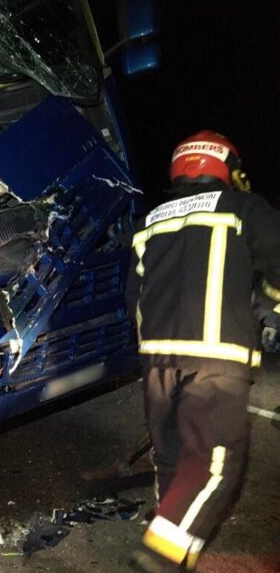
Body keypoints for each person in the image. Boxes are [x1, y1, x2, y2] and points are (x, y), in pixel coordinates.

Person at [126, 131, 280, 572]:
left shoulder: (150, 221)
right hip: (217, 358)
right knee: (212, 466)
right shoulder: (243, 209)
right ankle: (158, 558)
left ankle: (174, 550)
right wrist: (270, 306)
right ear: (224, 166)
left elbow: (132, 293)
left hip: (156, 361)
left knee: (173, 460)